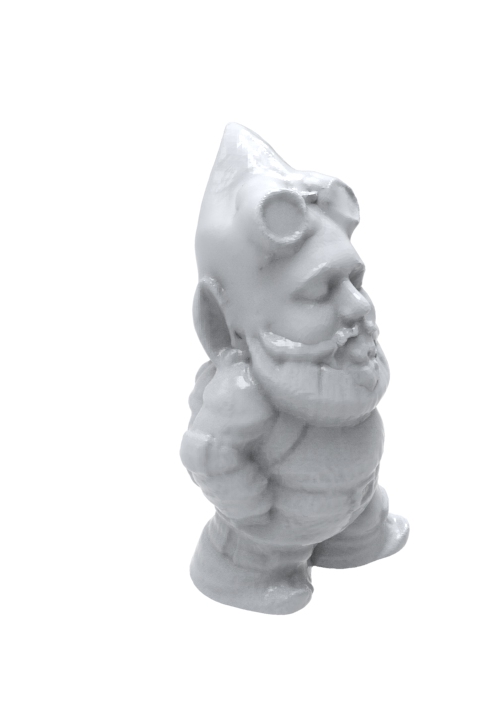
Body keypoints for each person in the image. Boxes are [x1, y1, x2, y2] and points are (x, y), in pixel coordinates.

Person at [180, 123, 409, 614]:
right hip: (281, 524)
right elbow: (209, 453)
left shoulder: (347, 363)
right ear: (225, 323)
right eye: (319, 293)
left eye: (355, 280)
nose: (357, 306)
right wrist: (253, 510)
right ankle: (238, 575)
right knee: (256, 551)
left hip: (356, 498)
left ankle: (354, 541)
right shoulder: (243, 393)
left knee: (364, 516)